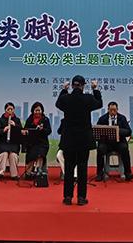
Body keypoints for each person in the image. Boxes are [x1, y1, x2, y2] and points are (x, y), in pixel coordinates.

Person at [56, 75, 102, 206]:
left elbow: (58, 103)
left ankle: (68, 197)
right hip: (83, 139)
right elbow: (99, 103)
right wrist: (95, 89)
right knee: (82, 168)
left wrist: (64, 90)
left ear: (72, 85)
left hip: (69, 138)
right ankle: (81, 197)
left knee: (69, 168)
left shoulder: (66, 98)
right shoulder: (88, 98)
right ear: (83, 86)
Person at [95, 101, 133, 181]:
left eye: (114, 110)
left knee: (124, 148)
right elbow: (97, 131)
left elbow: (128, 132)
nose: (113, 112)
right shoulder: (102, 118)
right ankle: (99, 173)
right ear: (108, 110)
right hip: (106, 143)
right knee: (100, 149)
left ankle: (128, 172)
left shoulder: (122, 118)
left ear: (117, 110)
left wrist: (117, 130)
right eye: (111, 110)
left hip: (119, 143)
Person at [21, 102, 52, 178]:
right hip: (32, 143)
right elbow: (25, 129)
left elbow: (49, 131)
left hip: (42, 143)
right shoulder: (29, 119)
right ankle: (28, 173)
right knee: (31, 155)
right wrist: (24, 132)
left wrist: (42, 129)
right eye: (36, 110)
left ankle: (38, 170)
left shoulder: (45, 119)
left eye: (39, 110)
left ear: (42, 111)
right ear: (33, 111)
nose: (37, 112)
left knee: (40, 154)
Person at [0, 102, 23, 181]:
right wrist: (4, 130)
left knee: (13, 155)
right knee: (4, 154)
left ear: (14, 110)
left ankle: (14, 174)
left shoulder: (17, 120)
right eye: (8, 109)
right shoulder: (1, 120)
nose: (10, 111)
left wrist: (15, 125)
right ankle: (0, 173)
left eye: (12, 109)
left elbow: (21, 130)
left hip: (14, 143)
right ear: (5, 110)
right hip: (3, 143)